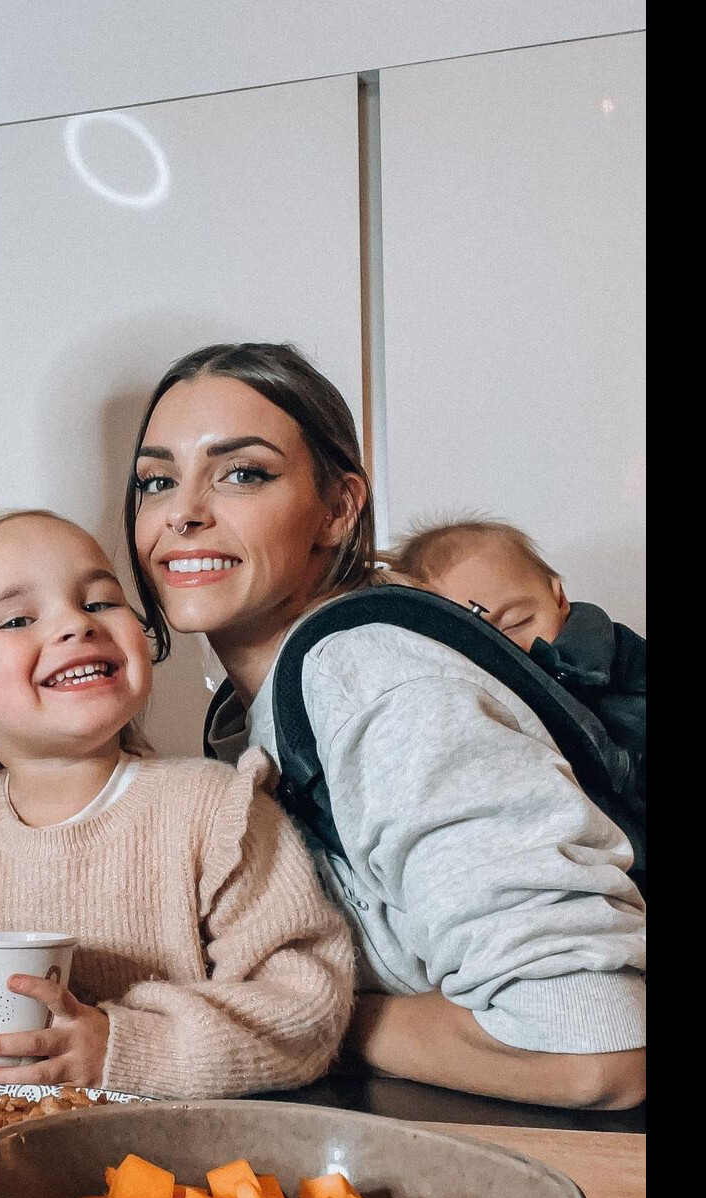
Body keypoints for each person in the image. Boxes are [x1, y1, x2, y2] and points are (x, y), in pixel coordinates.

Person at [123, 341, 645, 1110]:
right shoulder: (252, 715)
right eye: (157, 480)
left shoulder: (371, 680)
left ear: (338, 508)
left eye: (242, 473)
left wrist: (299, 1019)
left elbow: (591, 1050)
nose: (184, 512)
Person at [0, 510, 355, 1098]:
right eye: (17, 618)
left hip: (167, 1166)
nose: (74, 626)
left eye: (99, 602)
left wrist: (122, 1044)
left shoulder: (217, 812)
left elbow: (306, 1004)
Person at [386, 515, 645, 795]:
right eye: (476, 643)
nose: (509, 649)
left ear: (558, 597)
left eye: (517, 622)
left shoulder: (614, 658)